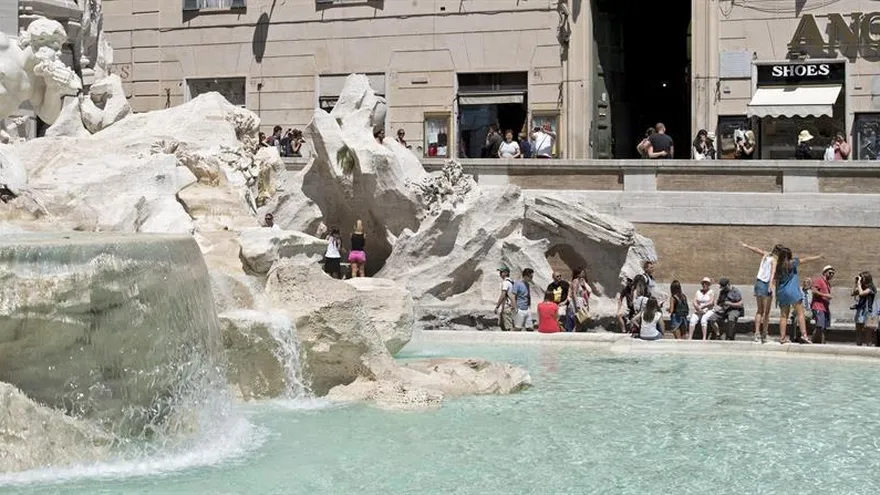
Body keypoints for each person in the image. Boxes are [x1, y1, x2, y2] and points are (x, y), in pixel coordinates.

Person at [775, 246, 823, 344]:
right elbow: (806, 260)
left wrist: (777, 296)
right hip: (793, 291)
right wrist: (818, 257)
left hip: (782, 292)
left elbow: (777, 282)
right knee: (800, 313)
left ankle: (782, 338)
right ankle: (804, 335)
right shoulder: (792, 263)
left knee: (783, 316)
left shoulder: (778, 267)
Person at [740, 242, 780, 343]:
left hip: (758, 283)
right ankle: (764, 335)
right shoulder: (774, 260)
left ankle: (756, 334)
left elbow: (757, 250)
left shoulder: (766, 255)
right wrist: (771, 285)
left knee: (759, 310)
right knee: (766, 312)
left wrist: (747, 246)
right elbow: (772, 273)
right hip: (766, 284)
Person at [810, 265, 835, 343]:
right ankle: (812, 341)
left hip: (825, 307)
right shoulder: (819, 280)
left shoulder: (827, 284)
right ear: (825, 272)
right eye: (830, 273)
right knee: (819, 326)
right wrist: (825, 295)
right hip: (818, 306)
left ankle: (822, 342)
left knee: (823, 327)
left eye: (833, 274)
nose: (831, 275)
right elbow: (814, 291)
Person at [852, 272, 877, 346]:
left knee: (868, 332)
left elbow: (861, 294)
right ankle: (858, 345)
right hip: (860, 311)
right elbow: (852, 293)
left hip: (868, 312)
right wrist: (856, 284)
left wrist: (859, 285)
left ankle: (869, 347)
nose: (861, 279)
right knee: (858, 330)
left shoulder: (871, 288)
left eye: (862, 278)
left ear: (867, 279)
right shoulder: (861, 287)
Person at [568, 267, 591, 331]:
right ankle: (574, 335)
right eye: (582, 273)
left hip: (579, 302)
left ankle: (576, 334)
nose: (583, 274)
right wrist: (577, 305)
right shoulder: (575, 281)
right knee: (578, 322)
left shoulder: (579, 281)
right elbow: (574, 293)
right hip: (577, 302)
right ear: (578, 274)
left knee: (580, 321)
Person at [493, 266, 516, 331]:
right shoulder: (511, 282)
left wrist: (497, 306)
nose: (500, 273)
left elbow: (503, 295)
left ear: (506, 273)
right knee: (508, 326)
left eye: (501, 272)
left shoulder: (506, 283)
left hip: (507, 308)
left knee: (508, 328)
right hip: (510, 307)